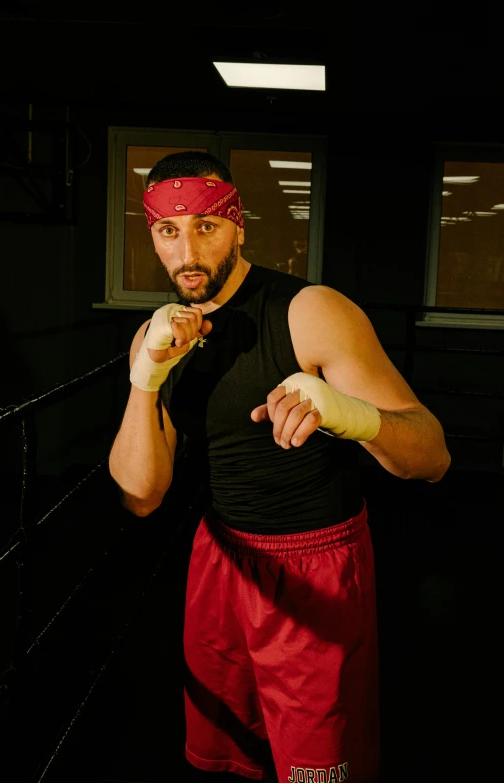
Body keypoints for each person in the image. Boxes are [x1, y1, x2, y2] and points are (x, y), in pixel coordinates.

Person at [109, 151, 451, 783]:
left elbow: (433, 457)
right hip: (218, 559)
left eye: (206, 226)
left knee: (317, 763)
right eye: (168, 230)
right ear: (152, 237)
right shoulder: (157, 336)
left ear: (239, 225)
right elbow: (140, 496)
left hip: (314, 562)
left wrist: (355, 416)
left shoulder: (311, 312)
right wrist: (146, 378)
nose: (188, 250)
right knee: (225, 749)